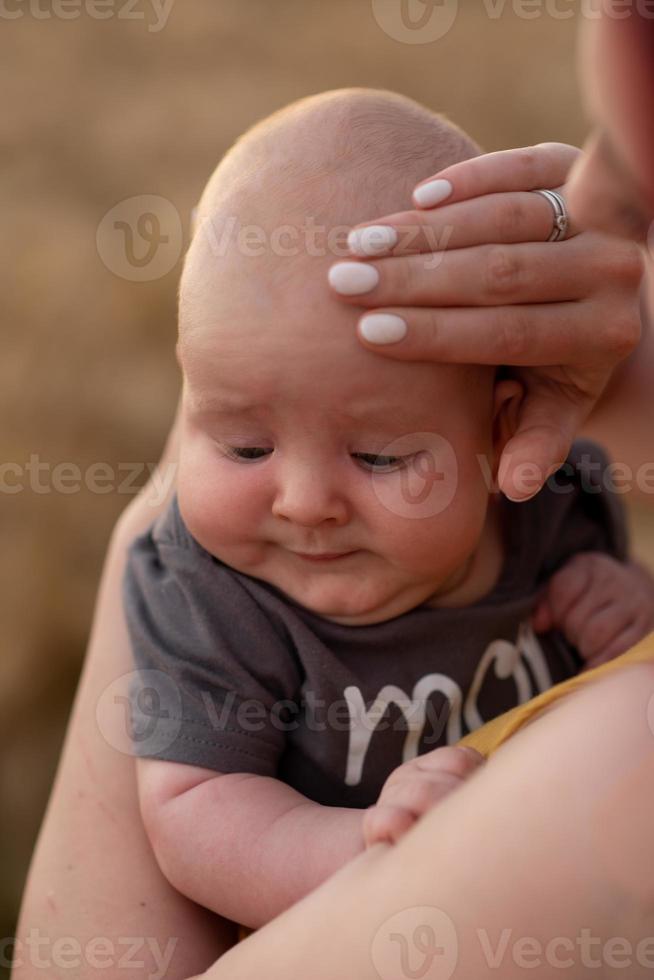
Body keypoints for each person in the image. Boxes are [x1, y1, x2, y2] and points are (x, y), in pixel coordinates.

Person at [13, 15, 654, 980]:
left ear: (503, 434)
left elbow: (598, 627)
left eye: (383, 456)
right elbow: (195, 813)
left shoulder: (548, 491)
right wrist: (354, 851)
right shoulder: (207, 589)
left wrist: (613, 593)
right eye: (242, 441)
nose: (305, 501)